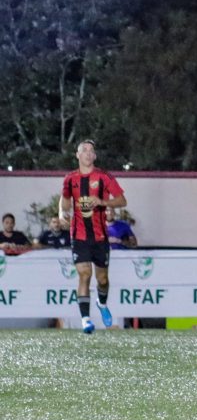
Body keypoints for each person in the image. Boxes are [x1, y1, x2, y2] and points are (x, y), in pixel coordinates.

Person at [59, 140, 127, 333]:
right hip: (79, 236)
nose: (88, 154)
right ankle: (86, 320)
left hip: (100, 237)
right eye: (84, 150)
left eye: (91, 151)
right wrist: (63, 214)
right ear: (77, 155)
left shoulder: (104, 177)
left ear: (95, 156)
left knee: (103, 279)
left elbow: (122, 200)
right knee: (84, 274)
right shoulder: (70, 179)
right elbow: (64, 202)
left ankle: (102, 303)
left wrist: (102, 202)